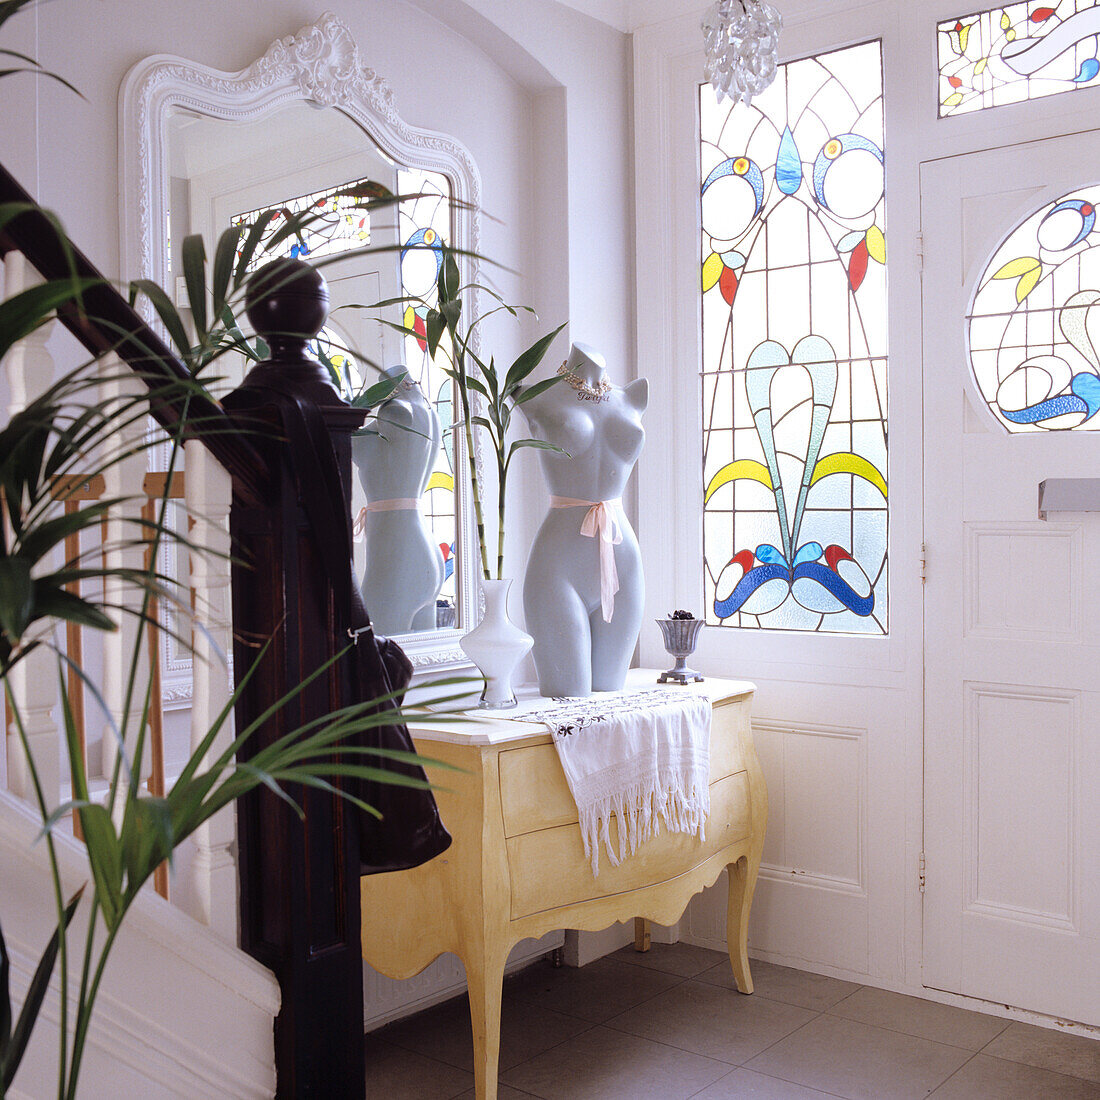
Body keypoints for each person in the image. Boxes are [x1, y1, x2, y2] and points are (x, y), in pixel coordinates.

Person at [521, 342, 648, 696]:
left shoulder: (632, 397)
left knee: (610, 696)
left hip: (623, 559)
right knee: (567, 697)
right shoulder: (537, 397)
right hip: (559, 565)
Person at [352, 367, 444, 634]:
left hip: (398, 557)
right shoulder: (426, 410)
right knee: (418, 665)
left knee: (376, 657)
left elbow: (342, 440)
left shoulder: (395, 412)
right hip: (420, 551)